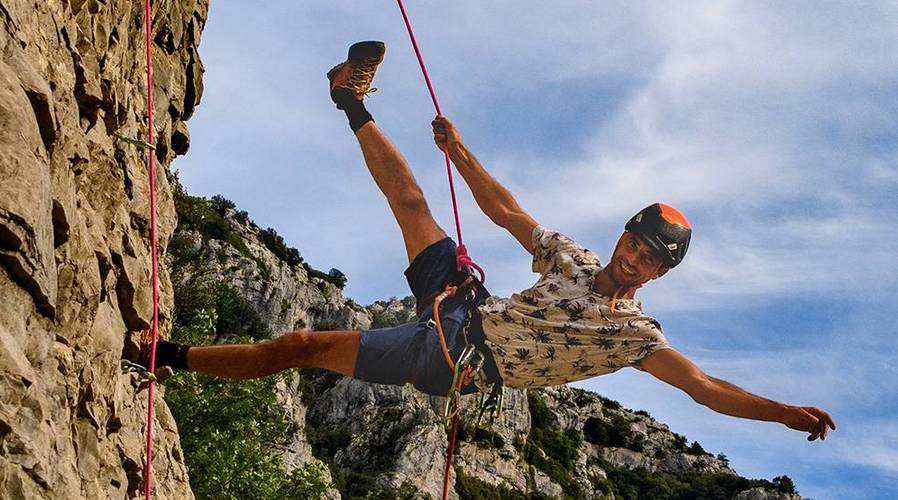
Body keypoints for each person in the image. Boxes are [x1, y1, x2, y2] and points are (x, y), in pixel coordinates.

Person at [148, 41, 835, 442]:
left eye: (650, 257)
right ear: (624, 235)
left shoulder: (635, 336)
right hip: (463, 303)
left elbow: (703, 387)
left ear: (659, 273)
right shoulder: (576, 257)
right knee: (412, 199)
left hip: (451, 358)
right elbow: (508, 214)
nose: (634, 257)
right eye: (635, 241)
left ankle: (166, 358)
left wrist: (779, 412)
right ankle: (348, 97)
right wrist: (461, 151)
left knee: (298, 349)